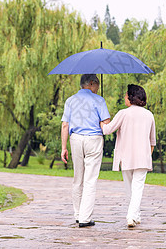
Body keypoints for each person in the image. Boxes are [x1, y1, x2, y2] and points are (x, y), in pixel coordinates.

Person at [100, 84, 156, 228]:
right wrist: (147, 155)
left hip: (126, 157)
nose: (124, 98)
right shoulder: (149, 115)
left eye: (125, 95)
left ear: (131, 97)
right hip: (143, 157)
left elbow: (107, 130)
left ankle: (131, 216)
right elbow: (152, 141)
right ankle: (135, 215)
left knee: (130, 189)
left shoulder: (123, 113)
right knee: (137, 188)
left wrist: (101, 120)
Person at [61, 74, 110, 228]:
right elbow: (106, 122)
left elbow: (65, 125)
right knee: (90, 179)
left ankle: (77, 214)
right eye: (98, 85)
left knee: (78, 179)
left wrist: (63, 147)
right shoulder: (99, 100)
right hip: (93, 139)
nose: (98, 89)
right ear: (91, 84)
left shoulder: (70, 100)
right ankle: (85, 218)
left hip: (75, 139)